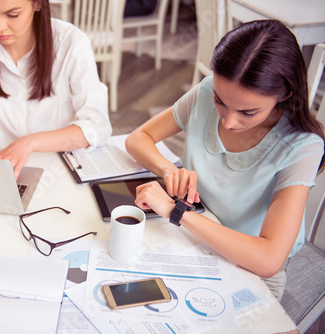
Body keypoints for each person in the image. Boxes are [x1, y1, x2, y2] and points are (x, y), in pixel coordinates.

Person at [126, 20, 325, 300]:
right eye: (221, 101)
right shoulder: (207, 91)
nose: (229, 121)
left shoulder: (301, 147)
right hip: (192, 238)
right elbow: (138, 137)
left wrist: (176, 210)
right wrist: (169, 170)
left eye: (248, 112)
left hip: (247, 268)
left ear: (285, 94)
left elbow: (268, 261)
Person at [0, 0, 112, 178]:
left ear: (37, 4)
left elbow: (96, 125)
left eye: (13, 14)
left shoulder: (71, 43)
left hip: (59, 170)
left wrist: (29, 143)